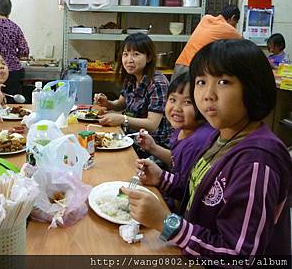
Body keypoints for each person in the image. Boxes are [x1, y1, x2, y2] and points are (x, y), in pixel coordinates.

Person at [122, 39, 291, 258]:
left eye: (223, 82)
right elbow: (202, 192)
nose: (207, 94)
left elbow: (239, 255)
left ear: (253, 87)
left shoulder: (257, 162)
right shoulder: (220, 136)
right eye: (201, 82)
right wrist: (163, 179)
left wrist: (168, 223)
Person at [94, 33, 172, 157]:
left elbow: (152, 125)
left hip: (154, 147)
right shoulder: (131, 77)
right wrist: (107, 103)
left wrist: (123, 119)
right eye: (126, 54)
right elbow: (121, 103)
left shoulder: (158, 83)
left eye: (136, 54)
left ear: (149, 57)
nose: (129, 60)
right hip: (132, 139)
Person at [136, 72, 214, 172]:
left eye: (187, 102)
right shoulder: (183, 128)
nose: (177, 108)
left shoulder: (198, 140)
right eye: (173, 99)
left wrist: (160, 178)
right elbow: (177, 161)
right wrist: (152, 147)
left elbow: (183, 183)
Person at [173, 5, 242, 80]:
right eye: (236, 23)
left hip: (181, 63)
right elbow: (246, 45)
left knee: (173, 90)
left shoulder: (206, 19)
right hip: (193, 68)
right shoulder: (229, 29)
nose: (235, 26)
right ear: (233, 17)